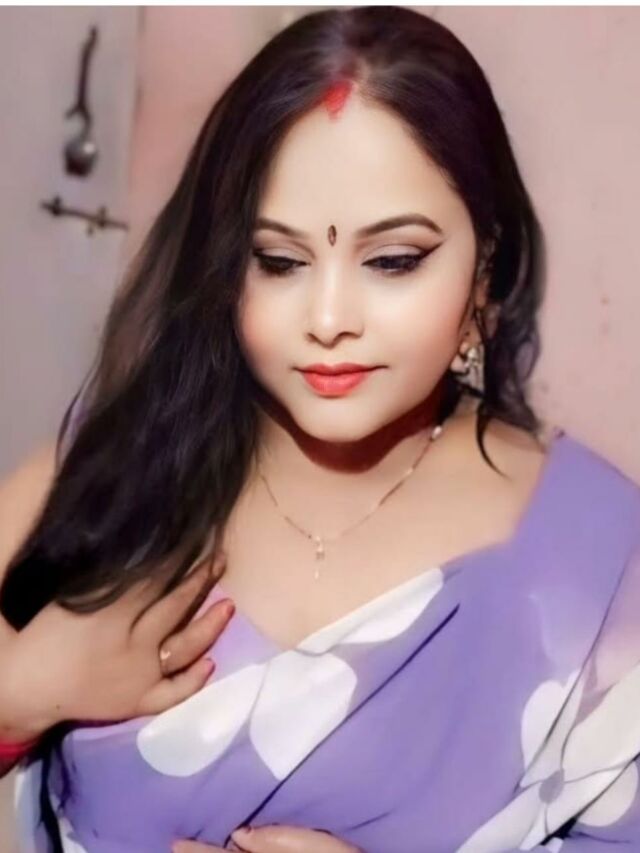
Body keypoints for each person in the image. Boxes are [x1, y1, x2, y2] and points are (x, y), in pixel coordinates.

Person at [1, 5, 639, 852]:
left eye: (392, 260)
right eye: (280, 261)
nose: (329, 317)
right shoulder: (130, 449)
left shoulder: (602, 559)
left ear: (484, 272)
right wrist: (25, 692)